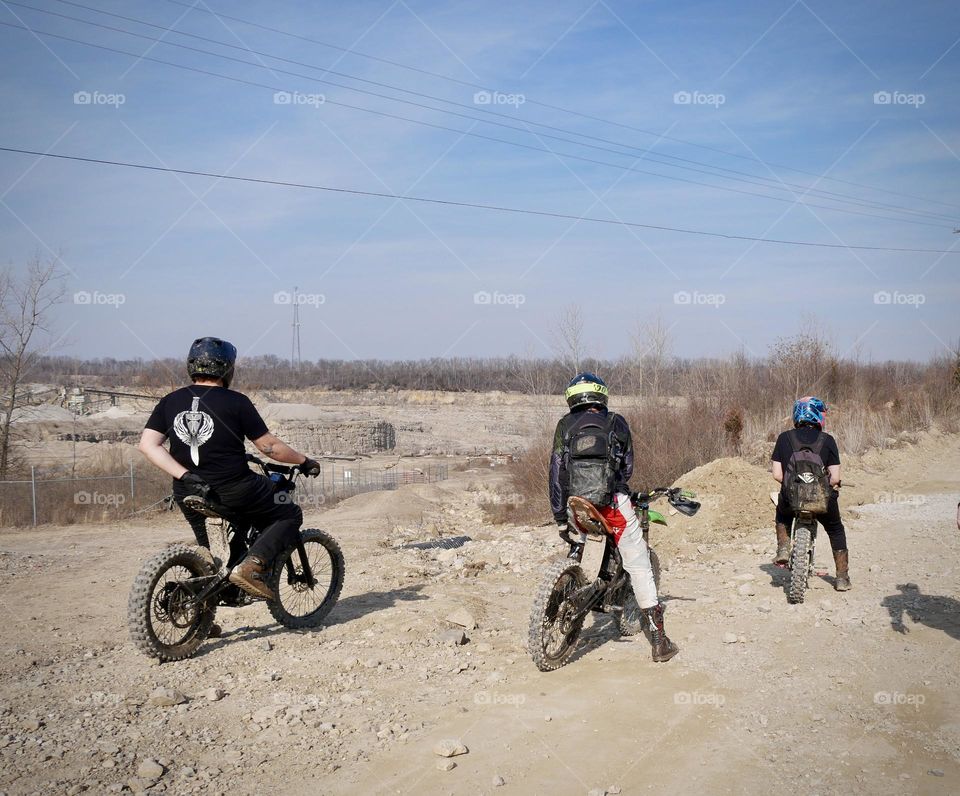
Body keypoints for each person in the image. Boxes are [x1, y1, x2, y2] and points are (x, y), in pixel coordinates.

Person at [138, 337, 321, 603]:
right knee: (289, 513)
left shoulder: (170, 401)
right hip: (234, 489)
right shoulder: (237, 402)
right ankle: (253, 567)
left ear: (192, 367)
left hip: (188, 490)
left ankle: (199, 616)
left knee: (210, 556)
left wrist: (186, 475)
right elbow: (269, 447)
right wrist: (303, 461)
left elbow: (148, 445)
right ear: (227, 369)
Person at [549, 373, 678, 662]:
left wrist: (560, 515)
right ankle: (659, 641)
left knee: (579, 543)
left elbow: (556, 472)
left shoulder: (564, 426)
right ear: (601, 396)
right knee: (640, 564)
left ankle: (565, 590)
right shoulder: (616, 422)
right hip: (613, 504)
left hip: (577, 505)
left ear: (573, 397)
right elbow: (628, 466)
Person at [770, 396, 850, 591]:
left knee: (782, 514)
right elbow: (834, 477)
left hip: (792, 499)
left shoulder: (784, 438)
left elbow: (777, 474)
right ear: (818, 416)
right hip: (821, 499)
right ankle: (841, 577)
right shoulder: (828, 440)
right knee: (835, 529)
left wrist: (794, 485)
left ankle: (783, 548)